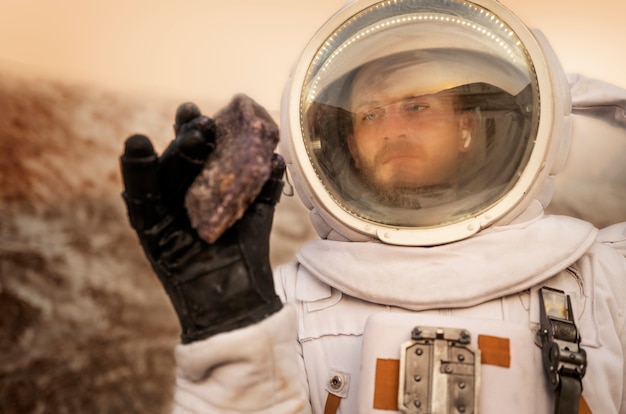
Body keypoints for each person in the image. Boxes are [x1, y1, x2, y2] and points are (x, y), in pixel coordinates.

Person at [119, 0, 626, 413]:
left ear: (468, 128)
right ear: (346, 140)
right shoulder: (282, 305)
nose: (392, 128)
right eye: (370, 113)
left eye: (418, 106)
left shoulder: (601, 282)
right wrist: (229, 330)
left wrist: (575, 92)